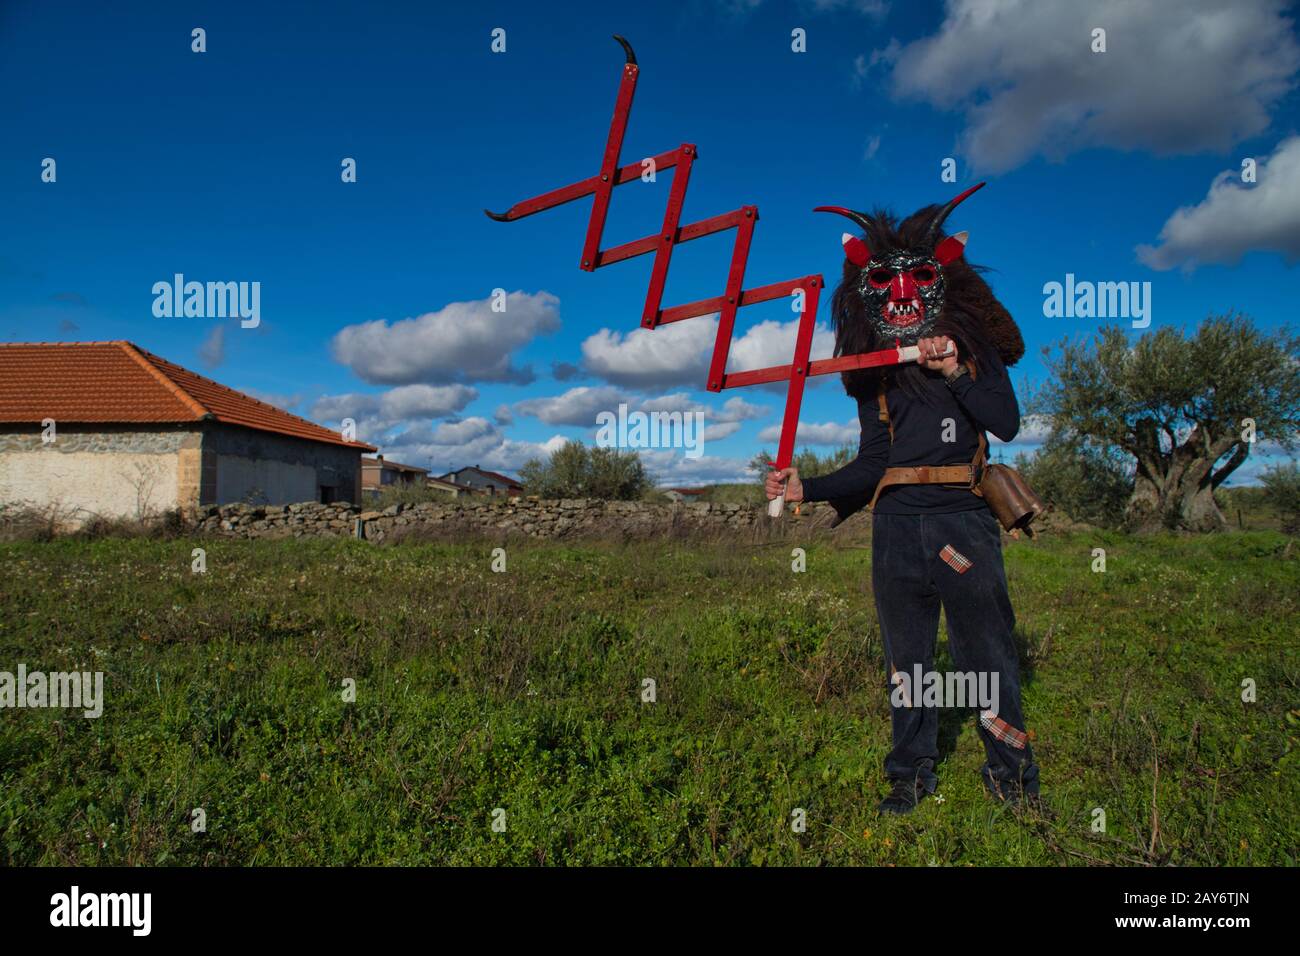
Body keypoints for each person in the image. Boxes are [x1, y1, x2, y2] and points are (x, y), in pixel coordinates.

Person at [766, 185, 1041, 814]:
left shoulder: (976, 357)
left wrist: (956, 373)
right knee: (908, 659)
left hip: (964, 523)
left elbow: (1005, 423)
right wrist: (809, 486)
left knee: (987, 654)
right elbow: (872, 465)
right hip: (895, 529)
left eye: (918, 278)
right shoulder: (877, 377)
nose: (903, 294)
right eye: (886, 283)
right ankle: (911, 776)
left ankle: (1010, 780)